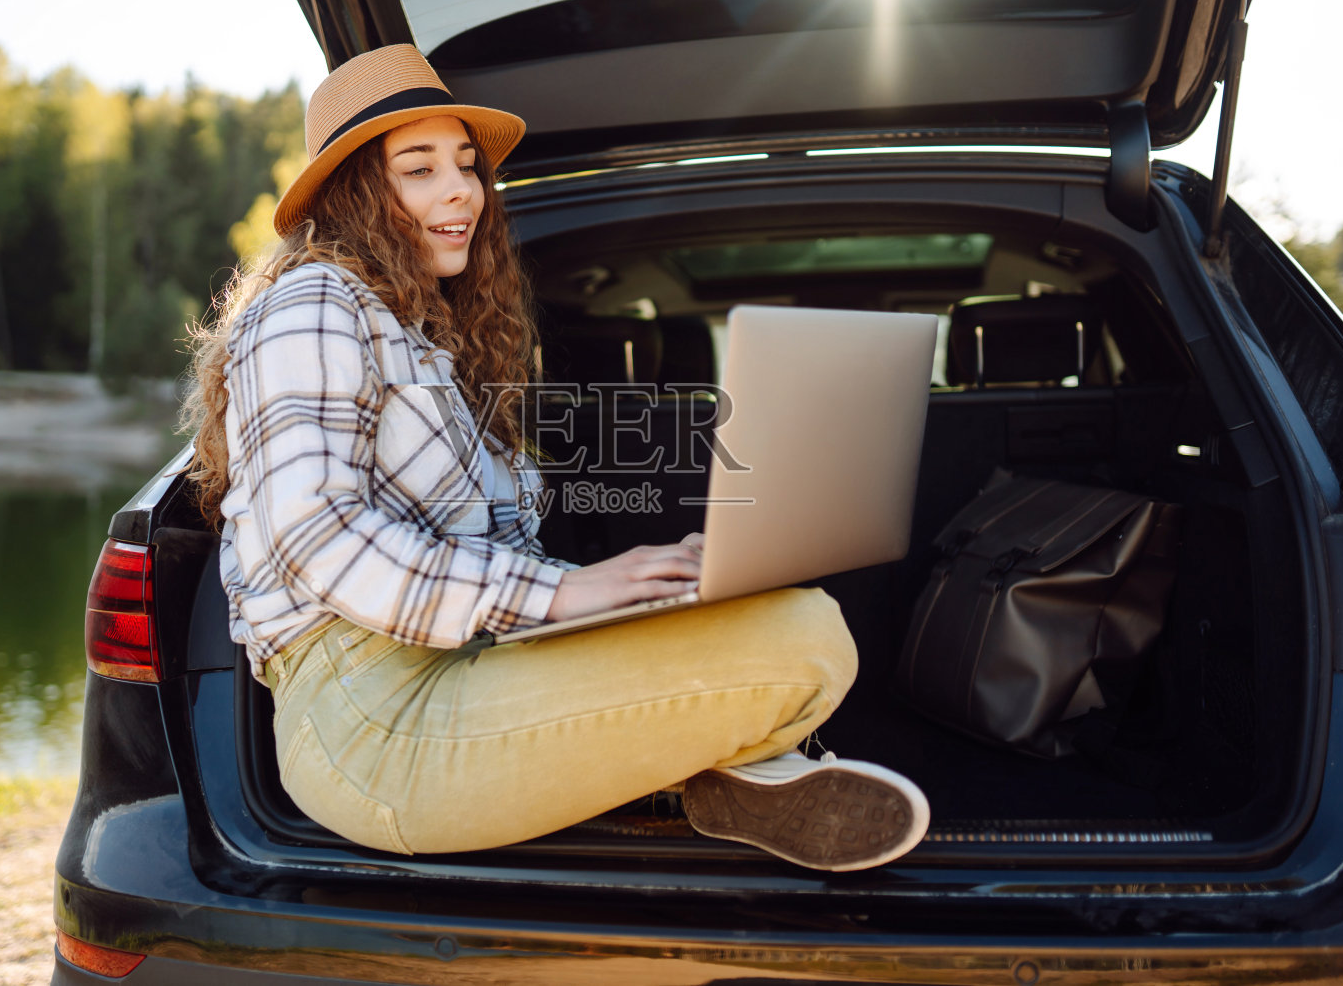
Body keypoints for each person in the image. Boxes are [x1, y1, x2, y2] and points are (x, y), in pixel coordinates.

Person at [181, 45, 928, 871]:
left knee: (790, 616)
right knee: (807, 641)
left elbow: (484, 567)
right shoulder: (313, 300)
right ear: (352, 195)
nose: (462, 189)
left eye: (466, 165)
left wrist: (646, 598)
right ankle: (729, 766)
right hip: (371, 720)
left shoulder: (428, 341)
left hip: (472, 669)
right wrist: (565, 593)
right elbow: (314, 535)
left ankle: (727, 776)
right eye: (419, 169)